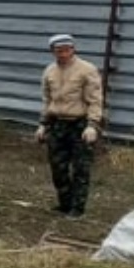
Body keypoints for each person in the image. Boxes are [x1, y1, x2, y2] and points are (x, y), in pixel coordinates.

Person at [36, 33, 104, 218]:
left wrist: (92, 125)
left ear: (73, 49)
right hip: (57, 124)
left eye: (67, 50)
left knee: (81, 168)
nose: (64, 54)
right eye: (59, 51)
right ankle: (64, 204)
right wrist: (43, 124)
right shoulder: (49, 71)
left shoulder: (87, 70)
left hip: (80, 125)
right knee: (58, 167)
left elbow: (95, 100)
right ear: (52, 51)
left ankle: (77, 208)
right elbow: (47, 100)